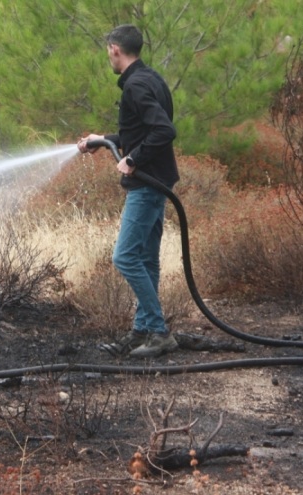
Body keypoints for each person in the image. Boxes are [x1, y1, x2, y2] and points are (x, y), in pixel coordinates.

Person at [77, 24, 180, 358]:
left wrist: (133, 159)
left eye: (108, 50)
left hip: (147, 186)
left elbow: (164, 130)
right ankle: (141, 331)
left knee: (124, 257)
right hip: (158, 181)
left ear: (115, 49)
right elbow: (142, 130)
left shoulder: (135, 86)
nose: (108, 55)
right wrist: (102, 141)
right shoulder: (151, 78)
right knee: (146, 258)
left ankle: (159, 332)